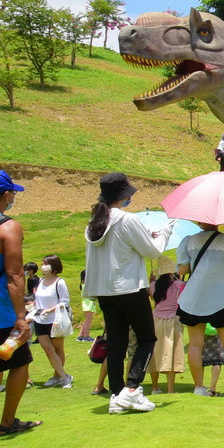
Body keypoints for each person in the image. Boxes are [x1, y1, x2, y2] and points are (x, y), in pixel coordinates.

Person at [85, 172, 172, 414]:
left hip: (105, 290)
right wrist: (164, 233)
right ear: (123, 196)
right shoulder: (126, 219)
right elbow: (153, 253)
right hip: (129, 288)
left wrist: (147, 236)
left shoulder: (95, 222)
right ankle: (132, 389)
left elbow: (124, 244)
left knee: (117, 343)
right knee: (147, 338)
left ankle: (116, 395)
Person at [0, 170, 39, 434]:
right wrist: (20, 317)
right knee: (19, 363)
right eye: (12, 192)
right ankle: (7, 421)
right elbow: (14, 275)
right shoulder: (8, 227)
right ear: (5, 195)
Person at [176, 222, 224, 398]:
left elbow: (183, 269)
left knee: (195, 344)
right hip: (221, 297)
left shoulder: (188, 241)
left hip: (195, 298)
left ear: (200, 222)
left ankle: (199, 388)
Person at [32, 254, 72, 389]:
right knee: (48, 349)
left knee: (58, 349)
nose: (42, 266)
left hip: (55, 321)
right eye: (42, 263)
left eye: (45, 263)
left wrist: (49, 310)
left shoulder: (59, 282)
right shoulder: (41, 280)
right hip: (40, 320)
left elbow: (64, 301)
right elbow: (38, 300)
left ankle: (58, 376)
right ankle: (64, 376)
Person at [147, 256, 185, 395]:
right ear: (171, 271)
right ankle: (170, 389)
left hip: (156, 320)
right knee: (172, 352)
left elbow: (153, 298)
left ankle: (154, 387)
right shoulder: (177, 285)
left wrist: (151, 282)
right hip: (174, 320)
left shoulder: (153, 286)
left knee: (156, 352)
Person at [77, 269, 96, 342]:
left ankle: (81, 335)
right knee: (88, 321)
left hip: (86, 304)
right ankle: (86, 336)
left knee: (86, 320)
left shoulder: (83, 285)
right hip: (89, 304)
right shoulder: (87, 286)